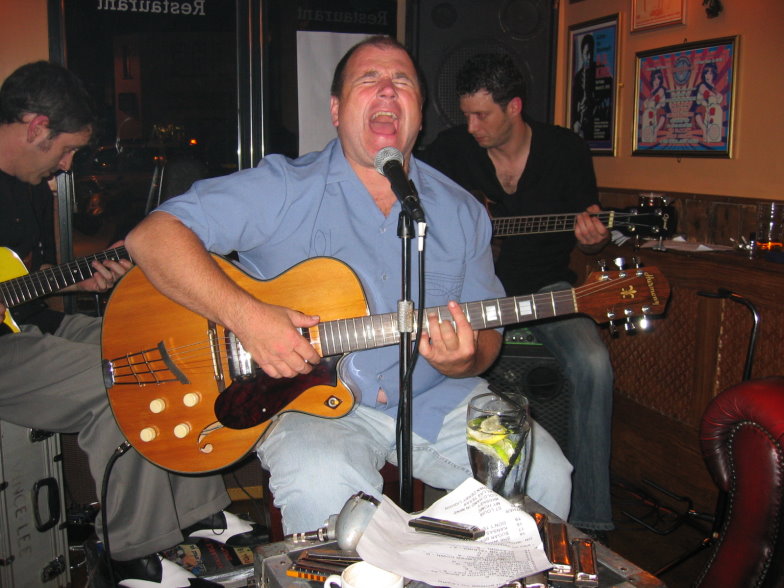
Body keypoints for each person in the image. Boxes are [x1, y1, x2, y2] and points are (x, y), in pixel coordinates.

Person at [125, 36, 573, 535]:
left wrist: (464, 359)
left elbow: (487, 338)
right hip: (310, 407)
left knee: (545, 473)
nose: (387, 91)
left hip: (435, 398)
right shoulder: (282, 187)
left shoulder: (462, 210)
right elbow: (153, 238)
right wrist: (248, 318)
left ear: (420, 117)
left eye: (402, 82)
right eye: (369, 80)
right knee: (323, 484)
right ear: (336, 111)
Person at [0, 61, 264, 588]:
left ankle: (196, 511)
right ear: (35, 127)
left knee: (164, 350)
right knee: (127, 379)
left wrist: (77, 281)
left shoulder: (27, 188)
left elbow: (20, 281)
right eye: (65, 149)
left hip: (32, 330)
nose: (68, 165)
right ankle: (132, 552)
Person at [420, 53, 615, 537]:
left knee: (594, 364)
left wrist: (596, 237)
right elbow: (413, 202)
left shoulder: (565, 149)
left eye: (480, 115)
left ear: (514, 107)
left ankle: (589, 518)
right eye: (465, 114)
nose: (470, 126)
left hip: (546, 290)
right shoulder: (451, 151)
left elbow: (590, 224)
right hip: (470, 295)